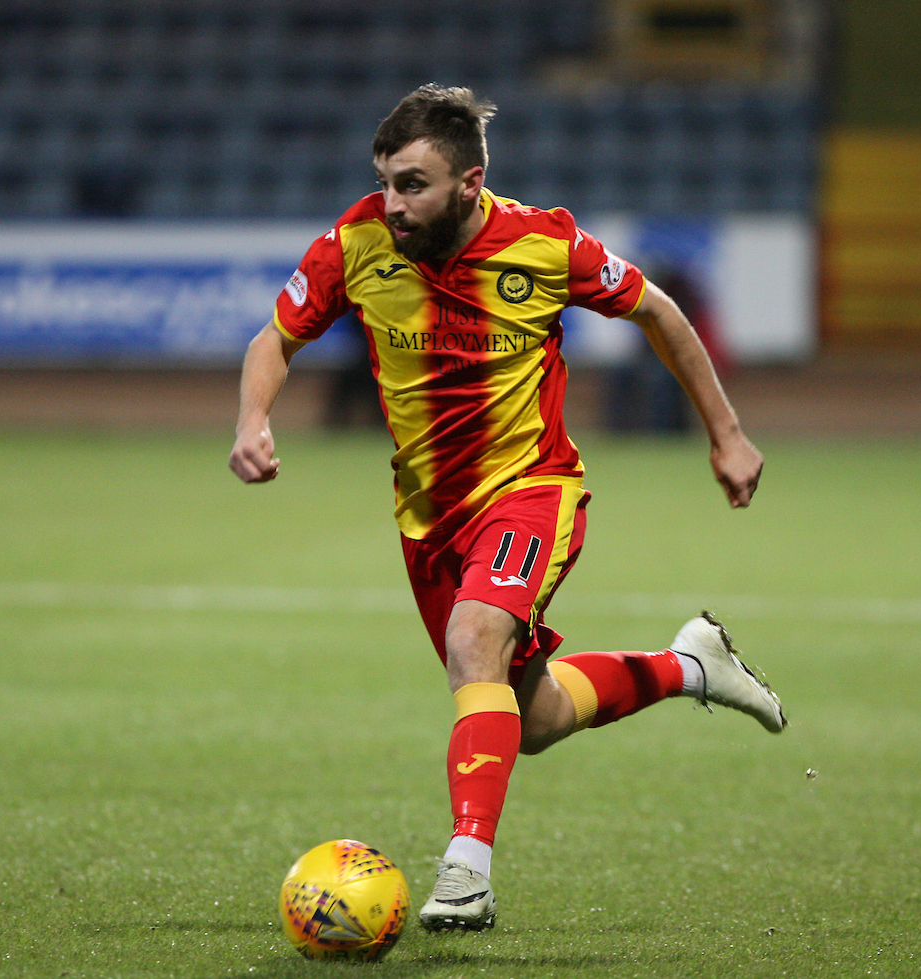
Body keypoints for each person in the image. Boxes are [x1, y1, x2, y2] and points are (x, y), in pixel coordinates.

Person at [229, 84, 786, 932]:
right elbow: (276, 338)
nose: (393, 203)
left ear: (469, 180)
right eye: (385, 181)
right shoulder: (356, 243)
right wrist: (253, 420)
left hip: (531, 486)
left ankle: (468, 871)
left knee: (472, 640)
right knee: (530, 716)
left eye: (413, 183)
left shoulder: (545, 241)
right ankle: (689, 666)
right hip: (428, 518)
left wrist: (727, 433)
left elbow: (658, 312)